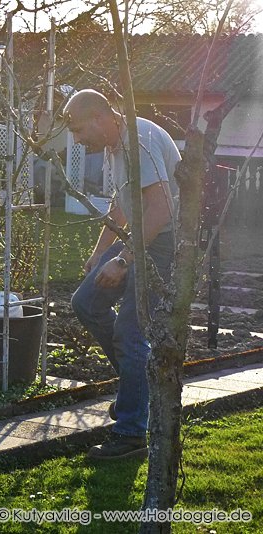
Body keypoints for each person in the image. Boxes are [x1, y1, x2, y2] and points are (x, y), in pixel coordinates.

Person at [63, 89, 181, 460]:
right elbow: (122, 206)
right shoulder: (116, 147)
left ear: (99, 117)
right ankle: (138, 388)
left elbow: (160, 209)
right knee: (86, 303)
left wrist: (124, 260)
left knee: (131, 334)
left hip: (161, 244)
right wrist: (100, 254)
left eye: (80, 130)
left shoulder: (138, 140)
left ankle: (131, 434)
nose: (78, 140)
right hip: (139, 238)